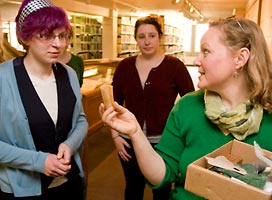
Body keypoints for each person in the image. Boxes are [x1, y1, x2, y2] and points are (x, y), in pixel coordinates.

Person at [100, 17, 272, 200]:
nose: (197, 60)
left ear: (239, 58)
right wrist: (135, 132)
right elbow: (162, 175)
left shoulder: (268, 115)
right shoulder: (187, 107)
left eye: (206, 52)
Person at [0, 0, 88, 199]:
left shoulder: (69, 74)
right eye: (46, 35)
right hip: (22, 191)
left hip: (69, 184)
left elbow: (80, 120)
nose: (58, 44)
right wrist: (38, 161)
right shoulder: (3, 79)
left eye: (62, 36)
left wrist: (70, 144)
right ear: (26, 36)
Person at [110, 16, 194, 200]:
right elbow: (113, 104)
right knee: (133, 187)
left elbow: (191, 103)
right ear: (135, 39)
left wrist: (184, 138)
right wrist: (115, 135)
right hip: (129, 141)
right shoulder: (124, 67)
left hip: (164, 143)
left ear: (160, 38)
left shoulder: (175, 67)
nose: (147, 41)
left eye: (152, 35)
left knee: (162, 190)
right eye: (141, 37)